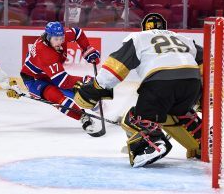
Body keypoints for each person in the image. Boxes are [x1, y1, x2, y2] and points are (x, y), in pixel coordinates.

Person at [74, 13, 203, 167]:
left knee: (135, 118)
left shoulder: (138, 38)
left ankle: (151, 144)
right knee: (176, 113)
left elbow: (115, 68)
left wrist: (93, 90)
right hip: (192, 84)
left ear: (143, 27)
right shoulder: (182, 38)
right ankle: (201, 143)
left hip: (161, 83)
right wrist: (206, 93)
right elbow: (209, 63)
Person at [17, 21, 103, 137]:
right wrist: (85, 80)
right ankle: (83, 117)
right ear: (48, 37)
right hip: (34, 79)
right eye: (55, 39)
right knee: (55, 96)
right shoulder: (45, 53)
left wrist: (87, 48)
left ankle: (103, 110)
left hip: (48, 74)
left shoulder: (60, 35)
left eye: (61, 38)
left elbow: (77, 33)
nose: (59, 42)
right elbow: (63, 82)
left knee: (79, 91)